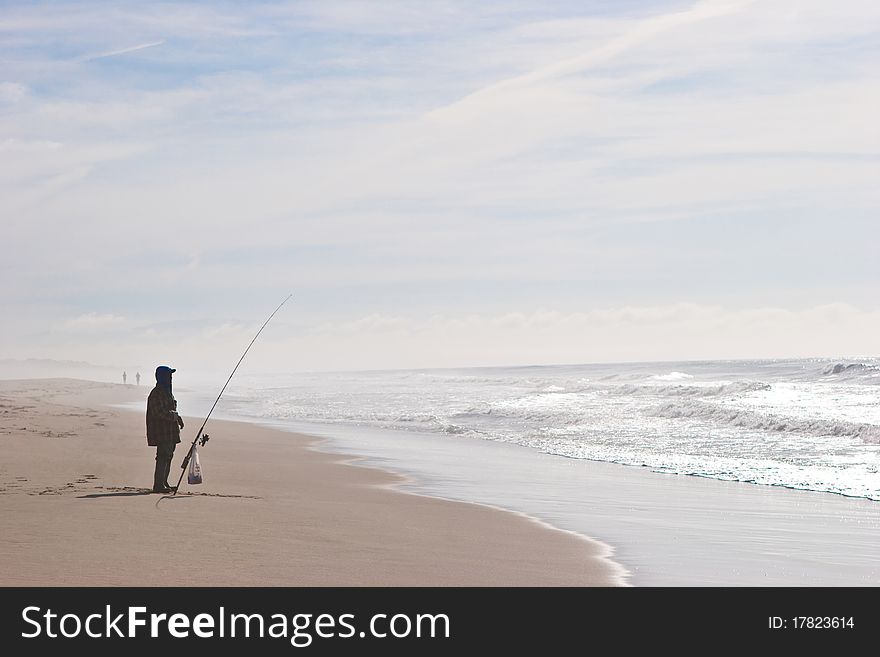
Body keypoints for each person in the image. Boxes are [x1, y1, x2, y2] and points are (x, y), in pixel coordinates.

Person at [145, 366, 184, 493]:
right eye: (168, 375)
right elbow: (158, 412)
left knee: (168, 456)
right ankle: (158, 485)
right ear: (162, 377)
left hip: (170, 432)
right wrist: (174, 416)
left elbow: (172, 409)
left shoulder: (167, 391)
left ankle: (164, 482)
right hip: (162, 432)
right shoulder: (156, 393)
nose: (171, 378)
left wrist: (177, 417)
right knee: (162, 456)